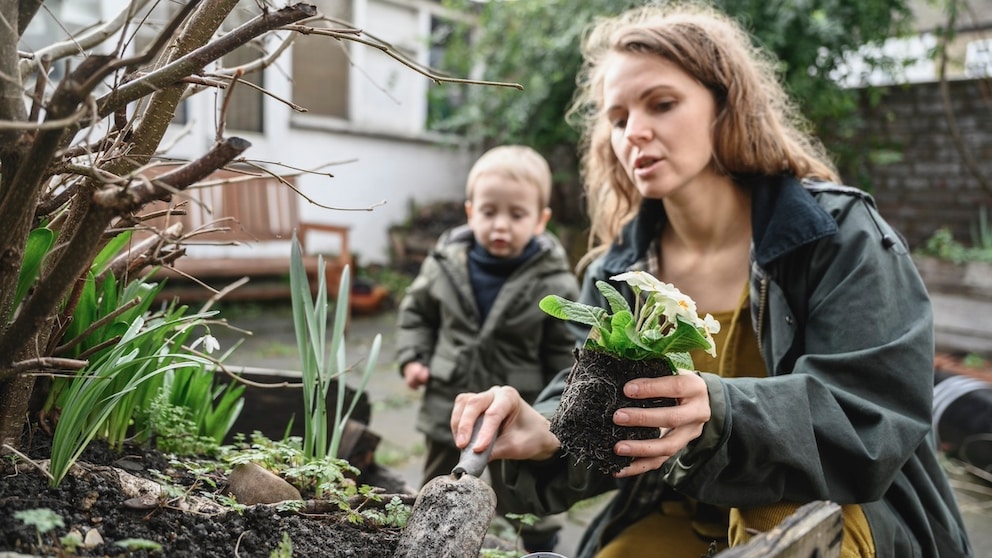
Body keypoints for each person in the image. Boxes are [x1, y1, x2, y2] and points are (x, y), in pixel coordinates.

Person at [449, 4, 974, 558]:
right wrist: (547, 431)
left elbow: (873, 415)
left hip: (843, 513)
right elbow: (608, 417)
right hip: (679, 513)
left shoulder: (836, 236)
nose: (636, 132)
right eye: (619, 118)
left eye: (663, 104)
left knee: (771, 510)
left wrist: (719, 411)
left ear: (726, 105)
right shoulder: (620, 272)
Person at [395, 144, 580, 552]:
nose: (501, 225)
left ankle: (537, 540)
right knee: (438, 483)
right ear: (470, 211)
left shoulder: (554, 281)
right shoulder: (445, 264)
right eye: (489, 211)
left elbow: (565, 353)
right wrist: (413, 357)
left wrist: (558, 409)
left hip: (521, 409)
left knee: (525, 490)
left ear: (541, 220)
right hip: (450, 403)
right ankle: (430, 541)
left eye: (517, 215)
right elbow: (417, 315)